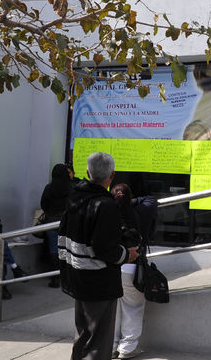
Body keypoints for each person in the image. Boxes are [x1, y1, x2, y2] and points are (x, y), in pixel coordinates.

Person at [58, 152, 139, 360]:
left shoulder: (75, 197)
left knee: (83, 335)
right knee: (98, 342)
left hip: (77, 275)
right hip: (99, 282)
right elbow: (105, 249)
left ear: (87, 172)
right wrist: (127, 255)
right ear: (112, 176)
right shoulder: (105, 205)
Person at [110, 184, 157, 359]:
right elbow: (151, 199)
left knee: (114, 308)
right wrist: (128, 200)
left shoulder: (107, 213)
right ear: (130, 197)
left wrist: (118, 199)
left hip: (111, 267)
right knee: (133, 307)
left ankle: (111, 346)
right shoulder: (141, 211)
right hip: (133, 268)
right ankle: (127, 348)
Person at [40, 163, 71, 288]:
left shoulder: (49, 188)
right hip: (66, 223)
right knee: (65, 248)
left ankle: (55, 277)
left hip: (51, 223)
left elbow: (43, 204)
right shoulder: (71, 188)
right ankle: (65, 276)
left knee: (53, 249)